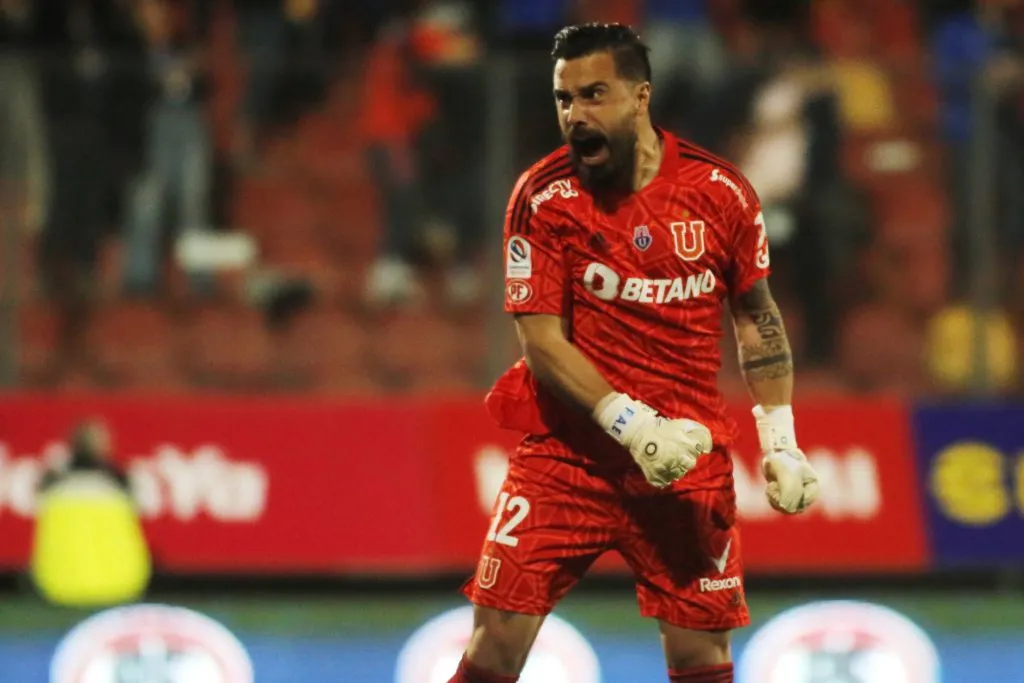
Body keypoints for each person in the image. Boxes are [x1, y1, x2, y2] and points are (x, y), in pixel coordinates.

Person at [448, 24, 820, 683]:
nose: (576, 115)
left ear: (640, 96)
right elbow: (539, 340)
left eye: (594, 94)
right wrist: (630, 422)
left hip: (686, 457)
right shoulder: (543, 197)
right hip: (567, 460)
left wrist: (782, 440)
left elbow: (757, 316)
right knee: (494, 642)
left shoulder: (721, 192)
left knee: (701, 656)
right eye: (564, 99)